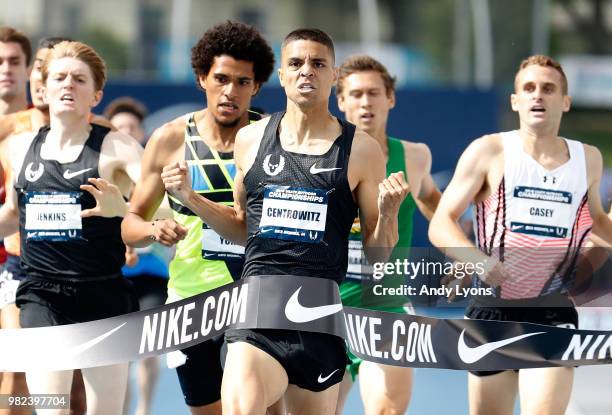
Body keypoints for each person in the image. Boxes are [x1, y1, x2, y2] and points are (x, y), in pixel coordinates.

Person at [160, 28, 409, 415]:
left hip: (319, 321)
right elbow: (242, 227)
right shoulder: (252, 139)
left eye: (317, 64)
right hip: (258, 314)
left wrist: (389, 211)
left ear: (333, 75)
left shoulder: (361, 150)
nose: (306, 71)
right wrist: (191, 199)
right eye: (296, 63)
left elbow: (377, 257)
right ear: (282, 76)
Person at [429, 55, 612, 415]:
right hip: (492, 311)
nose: (537, 96)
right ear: (515, 101)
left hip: (552, 310)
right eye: (528, 88)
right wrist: (479, 263)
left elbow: (598, 224)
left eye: (548, 88)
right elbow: (441, 223)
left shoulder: (587, 158)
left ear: (566, 101)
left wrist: (585, 270)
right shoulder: (489, 150)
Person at [121, 21, 275, 415]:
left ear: (256, 87)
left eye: (243, 82)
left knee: (252, 403)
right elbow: (131, 222)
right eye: (221, 78)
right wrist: (154, 228)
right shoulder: (171, 138)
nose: (231, 91)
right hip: (192, 302)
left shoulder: (271, 136)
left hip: (256, 297)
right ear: (201, 78)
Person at [0, 40, 142, 415]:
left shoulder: (118, 148)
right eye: (59, 77)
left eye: (79, 79)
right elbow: (13, 215)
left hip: (104, 295)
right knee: (51, 407)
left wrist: (122, 209)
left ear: (96, 94)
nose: (68, 85)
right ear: (43, 89)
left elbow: (163, 212)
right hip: (41, 293)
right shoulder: (18, 147)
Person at [334, 54, 441, 415]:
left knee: (386, 411)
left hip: (385, 303)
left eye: (374, 93)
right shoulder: (321, 157)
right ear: (341, 101)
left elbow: (433, 204)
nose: (366, 102)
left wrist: (464, 254)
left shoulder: (414, 156)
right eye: (357, 94)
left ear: (390, 98)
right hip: (325, 307)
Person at [104, 96, 171, 415]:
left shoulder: (156, 177)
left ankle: (144, 409)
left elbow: (171, 222)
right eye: (119, 128)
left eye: (132, 127)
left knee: (148, 347)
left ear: (143, 132)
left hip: (153, 277)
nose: (126, 133)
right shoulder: (99, 179)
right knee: (120, 352)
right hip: (113, 279)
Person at [0, 25, 31, 415]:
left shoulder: (44, 125)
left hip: (25, 266)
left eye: (14, 61)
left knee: (18, 373)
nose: (6, 69)